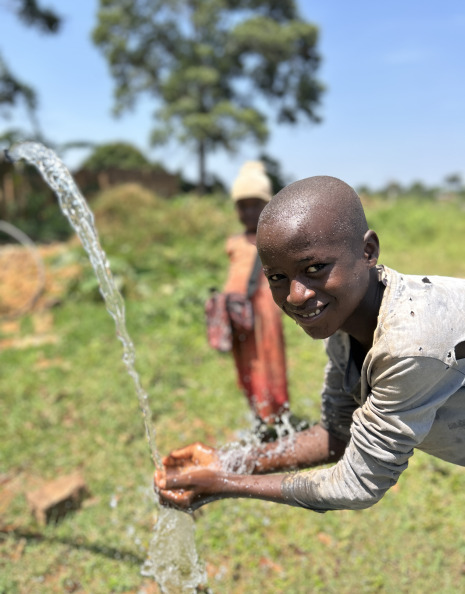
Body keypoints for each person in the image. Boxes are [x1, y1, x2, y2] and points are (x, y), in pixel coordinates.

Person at [155, 175, 465, 513]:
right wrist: (226, 462)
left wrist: (222, 484)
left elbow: (358, 484)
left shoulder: (411, 344)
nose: (296, 295)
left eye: (315, 268)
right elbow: (337, 434)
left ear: (368, 251)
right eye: (277, 277)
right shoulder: (346, 320)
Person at [217, 161, 305, 438]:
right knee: (246, 362)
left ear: (267, 206)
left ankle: (279, 416)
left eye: (255, 205)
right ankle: (257, 413)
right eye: (242, 206)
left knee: (270, 360)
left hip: (264, 314)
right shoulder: (234, 242)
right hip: (237, 313)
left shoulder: (272, 241)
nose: (248, 212)